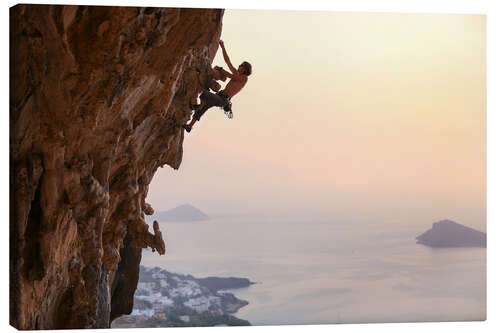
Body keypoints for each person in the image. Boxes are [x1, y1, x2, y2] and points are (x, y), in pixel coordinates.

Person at [182, 40, 252, 133]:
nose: (239, 66)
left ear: (245, 69)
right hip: (220, 95)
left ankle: (199, 106)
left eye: (241, 66)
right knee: (203, 108)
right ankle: (190, 126)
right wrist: (222, 47)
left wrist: (221, 70)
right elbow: (228, 61)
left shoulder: (244, 79)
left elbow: (230, 76)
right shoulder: (237, 74)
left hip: (223, 100)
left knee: (205, 94)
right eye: (240, 65)